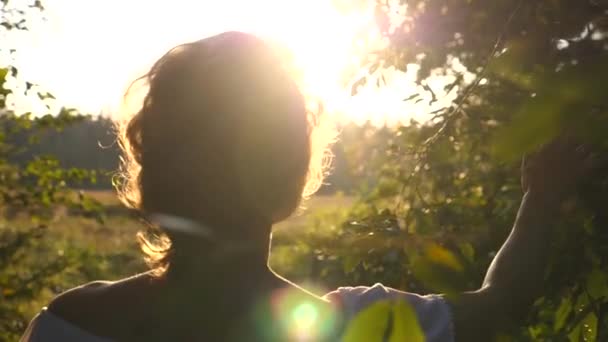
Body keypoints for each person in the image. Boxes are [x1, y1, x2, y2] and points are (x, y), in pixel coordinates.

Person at [21, 31, 598, 342]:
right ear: (292, 174)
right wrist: (542, 197)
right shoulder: (354, 331)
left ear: (153, 169)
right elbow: (500, 305)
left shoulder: (69, 325)